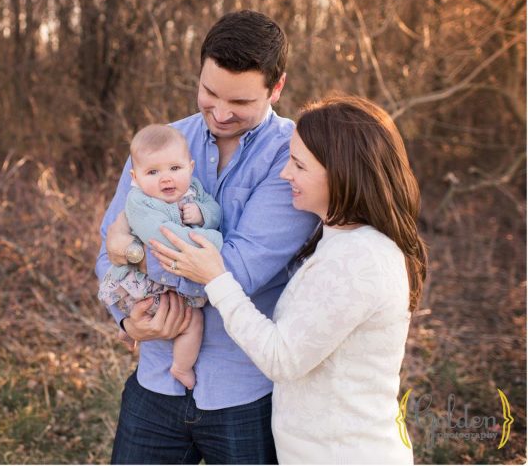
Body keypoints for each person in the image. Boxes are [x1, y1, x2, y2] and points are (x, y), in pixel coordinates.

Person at [149, 95, 428, 464]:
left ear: (342, 171)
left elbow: (282, 358)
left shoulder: (361, 260)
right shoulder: (339, 242)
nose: (285, 175)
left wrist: (217, 279)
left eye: (298, 164)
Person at [95, 10, 319, 464]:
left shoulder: (294, 157)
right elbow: (106, 250)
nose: (219, 112)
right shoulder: (161, 143)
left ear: (276, 87)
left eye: (239, 102)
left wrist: (136, 255)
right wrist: (126, 319)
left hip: (246, 395)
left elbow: (238, 271)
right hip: (156, 380)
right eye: (208, 92)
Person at [98, 124, 223, 390]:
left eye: (175, 169)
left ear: (190, 167)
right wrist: (214, 240)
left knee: (181, 314)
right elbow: (164, 239)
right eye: (153, 172)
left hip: (172, 278)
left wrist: (202, 214)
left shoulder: (194, 190)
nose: (166, 179)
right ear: (135, 177)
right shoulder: (139, 202)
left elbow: (216, 211)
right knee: (193, 320)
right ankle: (181, 367)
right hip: (146, 284)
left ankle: (128, 329)